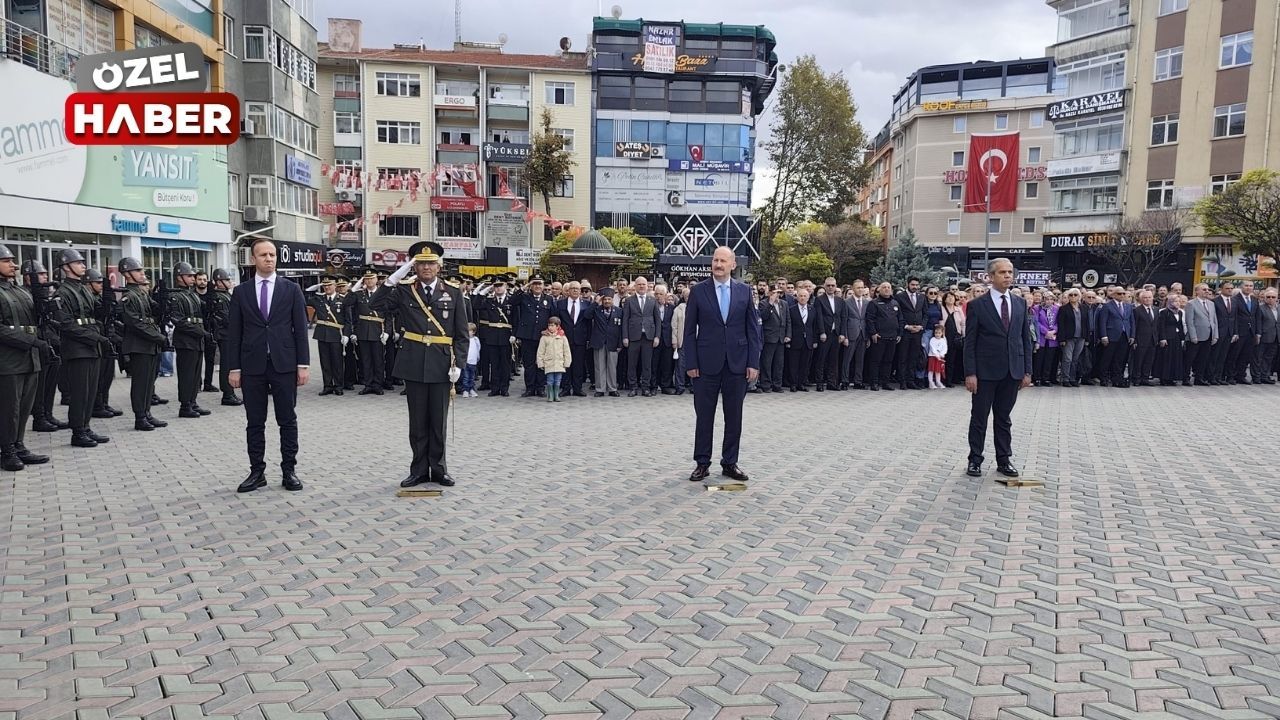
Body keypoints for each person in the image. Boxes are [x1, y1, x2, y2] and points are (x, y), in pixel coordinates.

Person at [370, 250, 468, 489]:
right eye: (421, 264)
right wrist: (395, 277)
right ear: (414, 267)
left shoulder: (453, 292)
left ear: (439, 267)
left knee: (438, 421)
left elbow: (462, 334)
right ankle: (419, 470)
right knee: (417, 422)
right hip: (413, 363)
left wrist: (459, 365)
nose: (426, 268)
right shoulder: (404, 290)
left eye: (430, 264)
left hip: (442, 364)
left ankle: (439, 469)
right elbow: (376, 304)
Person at [225, 238, 311, 493]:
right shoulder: (241, 292)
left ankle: (289, 471)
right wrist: (233, 368)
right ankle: (257, 472)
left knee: (287, 420)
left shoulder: (291, 288)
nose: (269, 259)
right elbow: (235, 333)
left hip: (284, 364)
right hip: (252, 366)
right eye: (263, 255)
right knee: (255, 421)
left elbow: (300, 329)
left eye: (272, 254)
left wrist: (303, 364)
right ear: (253, 259)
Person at [682, 246, 760, 483]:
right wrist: (691, 362)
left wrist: (753, 363)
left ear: (732, 265)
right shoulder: (698, 291)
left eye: (723, 261)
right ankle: (702, 463)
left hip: (737, 365)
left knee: (734, 416)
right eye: (715, 260)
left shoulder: (745, 291)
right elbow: (688, 331)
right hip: (705, 365)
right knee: (704, 416)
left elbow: (753, 330)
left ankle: (730, 463)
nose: (718, 264)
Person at [963, 258, 1033, 480]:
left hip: (1012, 371)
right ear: (991, 276)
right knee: (979, 418)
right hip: (985, 372)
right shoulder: (977, 305)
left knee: (1004, 418)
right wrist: (970, 373)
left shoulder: (1020, 303)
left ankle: (1004, 459)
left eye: (1010, 272)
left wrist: (1027, 371)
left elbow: (1025, 339)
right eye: (1002, 272)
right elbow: (970, 342)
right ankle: (975, 459)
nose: (1007, 276)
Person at [54, 249, 110, 448]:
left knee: (90, 391)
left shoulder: (83, 289)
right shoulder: (62, 292)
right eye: (78, 263)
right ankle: (77, 432)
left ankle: (85, 427)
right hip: (77, 348)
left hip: (91, 346)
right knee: (80, 392)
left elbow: (95, 313)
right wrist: (94, 337)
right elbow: (66, 324)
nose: (83, 266)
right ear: (66, 267)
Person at [0, 244, 49, 471]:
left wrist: (42, 305)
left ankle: (18, 445)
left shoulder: (19, 290)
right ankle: (7, 450)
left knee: (25, 405)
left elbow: (33, 321)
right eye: (6, 261)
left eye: (13, 261)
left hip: (30, 357)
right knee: (10, 407)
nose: (13, 265)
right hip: (8, 359)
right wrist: (31, 341)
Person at [118, 257, 169, 431]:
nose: (142, 274)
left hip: (149, 344)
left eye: (142, 271)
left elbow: (155, 313)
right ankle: (140, 417)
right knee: (140, 383)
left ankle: (147, 413)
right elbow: (135, 323)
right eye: (138, 271)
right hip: (139, 345)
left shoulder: (141, 294)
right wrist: (158, 337)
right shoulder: (128, 296)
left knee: (149, 382)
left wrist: (162, 299)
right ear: (127, 274)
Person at [170, 262, 212, 418]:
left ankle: (193, 402)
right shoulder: (174, 296)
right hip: (186, 340)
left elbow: (203, 312)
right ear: (179, 277)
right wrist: (200, 332)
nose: (193, 278)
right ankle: (185, 405)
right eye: (189, 276)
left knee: (195, 375)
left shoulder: (192, 294)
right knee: (186, 375)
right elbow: (179, 321)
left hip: (197, 340)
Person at [510, 276, 553, 397]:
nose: (537, 286)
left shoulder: (548, 299)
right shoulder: (524, 297)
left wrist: (549, 330)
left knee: (541, 363)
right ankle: (529, 388)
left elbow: (553, 317)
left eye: (540, 284)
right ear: (531, 286)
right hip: (527, 335)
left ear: (544, 286)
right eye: (534, 284)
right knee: (529, 363)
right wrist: (524, 287)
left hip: (542, 336)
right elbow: (512, 301)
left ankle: (540, 388)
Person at [349, 271, 388, 396]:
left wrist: (387, 331)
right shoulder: (359, 294)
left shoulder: (383, 294)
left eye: (372, 278)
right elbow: (347, 303)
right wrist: (355, 287)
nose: (369, 281)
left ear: (377, 279)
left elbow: (389, 315)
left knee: (378, 360)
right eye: (366, 279)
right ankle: (368, 384)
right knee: (365, 360)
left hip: (377, 330)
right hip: (363, 331)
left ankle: (377, 384)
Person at [621, 276, 661, 397]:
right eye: (639, 284)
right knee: (632, 364)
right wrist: (625, 337)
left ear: (647, 286)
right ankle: (633, 387)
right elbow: (625, 320)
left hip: (648, 337)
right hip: (633, 337)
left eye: (644, 284)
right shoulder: (629, 301)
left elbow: (657, 320)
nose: (642, 286)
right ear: (635, 286)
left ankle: (645, 388)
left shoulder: (652, 300)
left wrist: (657, 336)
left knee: (647, 364)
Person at [309, 277, 348, 396]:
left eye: (329, 285)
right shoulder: (319, 299)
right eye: (324, 286)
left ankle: (338, 386)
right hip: (322, 334)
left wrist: (346, 334)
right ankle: (327, 385)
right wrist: (313, 288)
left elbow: (348, 319)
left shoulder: (342, 299)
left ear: (335, 286)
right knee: (325, 362)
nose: (327, 287)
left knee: (337, 362)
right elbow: (303, 298)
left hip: (336, 334)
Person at [207, 268, 240, 406]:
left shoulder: (225, 295)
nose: (229, 282)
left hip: (228, 333)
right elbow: (226, 317)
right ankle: (227, 393)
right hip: (224, 334)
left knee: (229, 362)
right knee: (226, 364)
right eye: (226, 280)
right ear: (218, 282)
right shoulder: (219, 297)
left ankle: (230, 392)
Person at [555, 280, 593, 397]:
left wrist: (588, 339)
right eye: (573, 288)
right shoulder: (560, 304)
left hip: (580, 339)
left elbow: (588, 323)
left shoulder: (586, 304)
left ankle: (577, 388)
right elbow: (557, 321)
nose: (575, 290)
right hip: (564, 339)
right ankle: (566, 388)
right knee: (565, 364)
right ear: (568, 291)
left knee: (578, 364)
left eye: (578, 288)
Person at [479, 279, 514, 396]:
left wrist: (514, 334)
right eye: (496, 286)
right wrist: (487, 289)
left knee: (505, 363)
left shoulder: (511, 300)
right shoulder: (490, 301)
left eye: (500, 286)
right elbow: (476, 304)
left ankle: (504, 388)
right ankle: (495, 388)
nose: (498, 288)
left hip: (506, 335)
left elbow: (516, 317)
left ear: (506, 286)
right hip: (492, 336)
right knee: (494, 364)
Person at [865, 282, 903, 392]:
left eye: (889, 287)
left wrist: (899, 333)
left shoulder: (895, 303)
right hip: (879, 337)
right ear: (879, 290)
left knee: (888, 361)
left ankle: (885, 382)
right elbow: (870, 319)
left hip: (892, 337)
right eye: (884, 287)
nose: (887, 289)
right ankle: (874, 382)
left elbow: (900, 319)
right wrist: (873, 333)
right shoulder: (874, 303)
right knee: (876, 361)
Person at [814, 277, 846, 392]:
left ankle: (832, 383)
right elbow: (819, 317)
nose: (831, 287)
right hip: (825, 334)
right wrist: (822, 332)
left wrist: (842, 333)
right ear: (824, 286)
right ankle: (820, 383)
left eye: (833, 285)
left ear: (836, 286)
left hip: (836, 333)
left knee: (834, 360)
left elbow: (843, 317)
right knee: (821, 359)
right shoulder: (819, 299)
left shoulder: (840, 300)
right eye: (828, 285)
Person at [590, 288, 622, 397]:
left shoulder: (619, 311)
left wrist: (620, 344)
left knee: (612, 367)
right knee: (599, 366)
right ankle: (600, 389)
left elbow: (621, 329)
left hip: (613, 342)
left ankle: (612, 388)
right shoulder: (596, 310)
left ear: (613, 300)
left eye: (609, 299)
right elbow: (587, 315)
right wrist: (595, 303)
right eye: (605, 299)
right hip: (599, 342)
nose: (607, 301)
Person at [896, 278, 927, 390]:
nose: (915, 287)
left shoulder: (921, 297)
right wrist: (906, 326)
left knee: (914, 357)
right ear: (907, 284)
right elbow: (898, 314)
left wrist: (921, 326)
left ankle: (911, 380)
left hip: (918, 332)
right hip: (905, 331)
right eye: (913, 284)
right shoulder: (900, 297)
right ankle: (902, 381)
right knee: (903, 357)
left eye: (917, 285)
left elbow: (925, 314)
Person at [1056, 288, 1090, 387]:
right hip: (1069, 337)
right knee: (1067, 358)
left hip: (1081, 337)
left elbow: (1087, 324)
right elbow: (1061, 324)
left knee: (1076, 359)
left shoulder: (1084, 308)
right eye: (1071, 295)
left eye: (1075, 295)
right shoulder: (1063, 308)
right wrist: (1061, 339)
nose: (1073, 297)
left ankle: (1072, 378)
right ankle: (1065, 379)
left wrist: (1087, 338)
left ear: (1079, 296)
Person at [1185, 283, 1218, 385]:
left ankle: (1199, 378)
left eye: (1207, 289)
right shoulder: (1191, 304)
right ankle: (1185, 377)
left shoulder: (1211, 303)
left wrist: (1215, 335)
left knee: (1203, 358)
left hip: (1208, 335)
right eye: (1204, 289)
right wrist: (1193, 336)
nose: (1207, 291)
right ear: (1197, 291)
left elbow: (1214, 320)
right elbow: (1190, 321)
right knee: (1190, 358)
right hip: (1196, 336)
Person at [758, 287, 790, 393]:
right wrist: (770, 303)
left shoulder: (784, 304)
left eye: (780, 293)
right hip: (769, 337)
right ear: (770, 293)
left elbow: (788, 320)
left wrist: (788, 335)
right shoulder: (764, 303)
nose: (778, 295)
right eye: (776, 293)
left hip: (781, 338)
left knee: (779, 363)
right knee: (767, 362)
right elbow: (763, 317)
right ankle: (766, 384)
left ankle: (777, 385)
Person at [787, 288, 818, 392]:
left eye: (805, 296)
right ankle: (793, 384)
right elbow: (789, 325)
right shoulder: (791, 309)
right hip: (795, 340)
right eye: (800, 296)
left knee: (805, 364)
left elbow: (814, 327)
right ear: (797, 297)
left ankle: (801, 383)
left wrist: (814, 340)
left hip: (808, 341)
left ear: (808, 297)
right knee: (793, 363)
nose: (803, 298)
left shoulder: (812, 309)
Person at [536, 315, 571, 402]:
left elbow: (566, 351)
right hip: (549, 362)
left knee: (558, 380)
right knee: (550, 380)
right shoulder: (544, 337)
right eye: (549, 325)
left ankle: (556, 395)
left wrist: (567, 362)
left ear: (557, 326)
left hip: (559, 362)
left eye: (552, 325)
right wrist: (540, 362)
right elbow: (540, 351)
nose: (550, 327)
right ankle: (550, 396)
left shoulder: (562, 337)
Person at [843, 282, 869, 390]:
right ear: (853, 289)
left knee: (860, 359)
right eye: (858, 288)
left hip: (863, 334)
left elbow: (867, 319)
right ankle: (844, 380)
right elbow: (844, 319)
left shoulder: (867, 303)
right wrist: (845, 336)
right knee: (847, 359)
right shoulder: (847, 302)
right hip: (851, 333)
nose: (860, 290)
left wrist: (867, 336)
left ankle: (858, 381)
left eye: (862, 287)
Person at [1131, 289, 1160, 386]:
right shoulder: (1137, 310)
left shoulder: (1156, 310)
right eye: (1145, 298)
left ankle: (1145, 378)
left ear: (1152, 298)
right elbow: (1134, 326)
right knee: (1139, 360)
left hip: (1152, 339)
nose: (1147, 299)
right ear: (1141, 299)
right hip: (1141, 339)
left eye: (1149, 297)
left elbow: (1156, 325)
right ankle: (1136, 378)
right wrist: (1134, 339)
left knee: (1149, 359)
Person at [1157, 294, 1187, 386]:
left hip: (1176, 337)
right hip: (1168, 337)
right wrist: (1162, 338)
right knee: (1166, 358)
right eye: (1175, 301)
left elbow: (1180, 325)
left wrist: (1182, 338)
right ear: (1169, 302)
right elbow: (1161, 326)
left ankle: (1172, 377)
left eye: (1178, 301)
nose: (1177, 303)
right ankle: (1164, 378)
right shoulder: (1164, 312)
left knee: (1175, 358)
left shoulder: (1180, 312)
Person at [1255, 288, 1279, 384]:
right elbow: (1258, 322)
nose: (1270, 299)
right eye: (1268, 297)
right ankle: (1256, 377)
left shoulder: (1278, 308)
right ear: (1264, 298)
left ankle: (1265, 376)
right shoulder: (1260, 308)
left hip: (1275, 337)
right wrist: (1258, 334)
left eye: (1273, 297)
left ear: (1277, 298)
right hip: (1263, 337)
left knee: (1269, 358)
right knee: (1258, 358)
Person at [462, 322, 480, 398]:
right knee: (465, 377)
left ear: (473, 332)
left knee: (472, 377)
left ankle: (471, 389)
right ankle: (465, 390)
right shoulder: (464, 340)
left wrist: (477, 358)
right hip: (466, 361)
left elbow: (478, 349)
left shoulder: (476, 340)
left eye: (469, 331)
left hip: (473, 362)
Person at [926, 324, 948, 389]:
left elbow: (945, 348)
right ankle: (931, 382)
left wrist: (942, 354)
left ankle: (938, 382)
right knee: (931, 370)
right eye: (936, 333)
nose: (937, 334)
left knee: (938, 370)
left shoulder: (943, 340)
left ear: (942, 333)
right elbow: (932, 348)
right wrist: (936, 355)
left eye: (939, 333)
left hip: (940, 357)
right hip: (933, 357)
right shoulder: (932, 339)